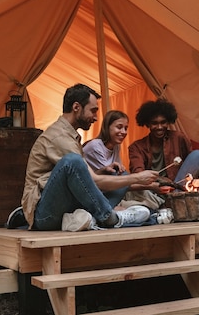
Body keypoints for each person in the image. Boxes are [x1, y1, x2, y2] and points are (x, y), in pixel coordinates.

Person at [17, 84, 159, 232]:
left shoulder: (71, 135)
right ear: (76, 107)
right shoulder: (58, 136)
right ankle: (110, 218)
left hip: (65, 209)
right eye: (93, 111)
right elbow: (94, 181)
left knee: (119, 174)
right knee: (73, 161)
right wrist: (137, 178)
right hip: (44, 216)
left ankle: (89, 219)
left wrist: (102, 171)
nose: (96, 118)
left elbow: (84, 179)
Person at [128, 99, 199, 208]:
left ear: (169, 122)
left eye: (163, 122)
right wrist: (159, 180)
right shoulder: (136, 147)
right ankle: (169, 204)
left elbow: (192, 163)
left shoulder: (178, 138)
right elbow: (138, 174)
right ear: (147, 123)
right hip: (153, 190)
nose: (160, 127)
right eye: (154, 123)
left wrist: (177, 184)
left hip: (177, 188)